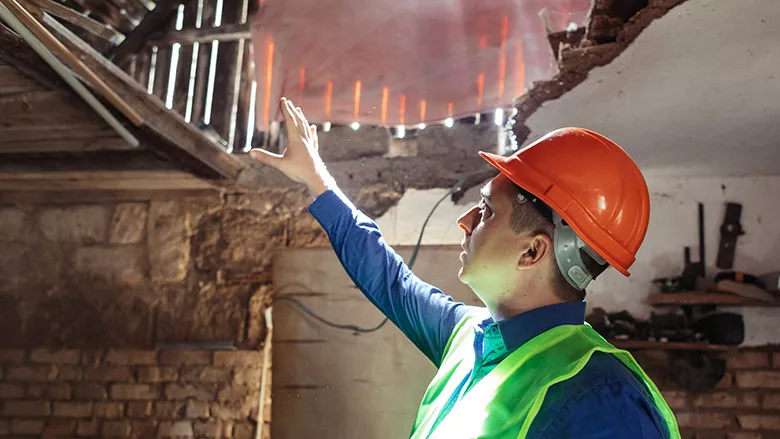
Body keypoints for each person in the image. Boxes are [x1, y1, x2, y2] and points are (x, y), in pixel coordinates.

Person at [251, 98, 680, 439]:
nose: (466, 222)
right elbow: (391, 281)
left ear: (532, 252)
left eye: (486, 211)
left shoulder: (602, 396)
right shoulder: (469, 337)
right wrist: (318, 180)